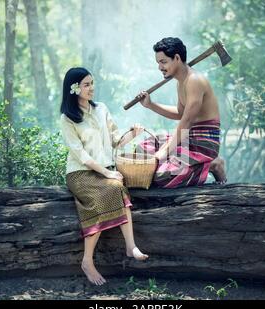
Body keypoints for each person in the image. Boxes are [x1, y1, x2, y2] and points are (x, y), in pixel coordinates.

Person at [60, 67, 148, 286]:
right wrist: (108, 172)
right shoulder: (67, 119)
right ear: (74, 89)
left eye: (92, 83)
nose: (91, 88)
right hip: (80, 173)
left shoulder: (102, 109)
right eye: (86, 84)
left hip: (104, 171)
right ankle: (87, 261)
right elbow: (80, 155)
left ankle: (131, 246)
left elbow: (116, 141)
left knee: (116, 187)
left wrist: (132, 134)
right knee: (108, 190)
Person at [136, 37, 227, 188]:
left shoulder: (194, 81)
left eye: (163, 62)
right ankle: (189, 162)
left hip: (203, 143)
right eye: (158, 63)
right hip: (188, 138)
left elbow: (186, 122)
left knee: (162, 176)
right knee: (143, 149)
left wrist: (164, 152)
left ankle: (213, 164)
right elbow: (180, 113)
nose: (160, 67)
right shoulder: (181, 81)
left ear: (177, 58)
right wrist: (150, 105)